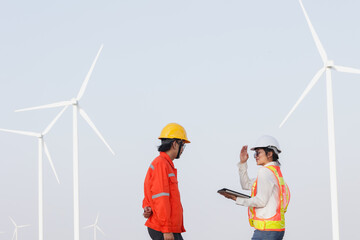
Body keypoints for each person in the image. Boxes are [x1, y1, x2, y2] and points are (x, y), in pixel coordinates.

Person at [220, 135, 290, 240]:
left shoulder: (265, 172)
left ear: (270, 154)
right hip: (273, 229)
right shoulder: (274, 172)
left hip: (266, 231)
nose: (256, 156)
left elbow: (261, 201)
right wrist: (243, 163)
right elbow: (246, 184)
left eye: (258, 153)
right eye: (255, 154)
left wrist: (236, 199)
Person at [142, 123, 190, 240]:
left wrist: (147, 206)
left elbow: (150, 192)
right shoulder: (161, 164)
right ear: (174, 144)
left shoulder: (165, 165)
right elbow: (161, 198)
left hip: (167, 228)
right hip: (163, 229)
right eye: (182, 145)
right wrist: (167, 230)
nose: (183, 149)